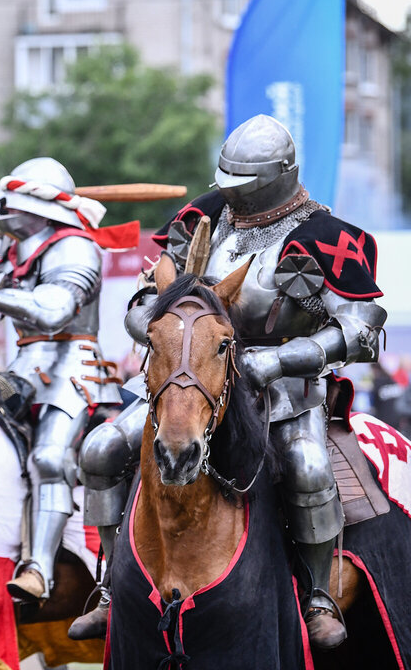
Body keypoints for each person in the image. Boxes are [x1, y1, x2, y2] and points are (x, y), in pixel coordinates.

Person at [70, 115, 387, 648]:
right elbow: (153, 289)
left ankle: (316, 596)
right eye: (228, 181)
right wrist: (153, 321)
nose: (233, 195)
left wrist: (282, 362)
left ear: (281, 175)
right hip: (189, 374)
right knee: (102, 448)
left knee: (308, 467)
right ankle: (108, 586)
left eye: (246, 184)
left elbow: (362, 333)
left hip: (281, 387)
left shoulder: (328, 239)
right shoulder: (206, 217)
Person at [0, 158, 130, 603]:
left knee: (50, 457)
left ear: (37, 208)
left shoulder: (74, 246)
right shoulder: (6, 246)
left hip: (75, 365)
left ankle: (39, 571)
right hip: (22, 366)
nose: (2, 213)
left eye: (11, 205)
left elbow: (52, 310)